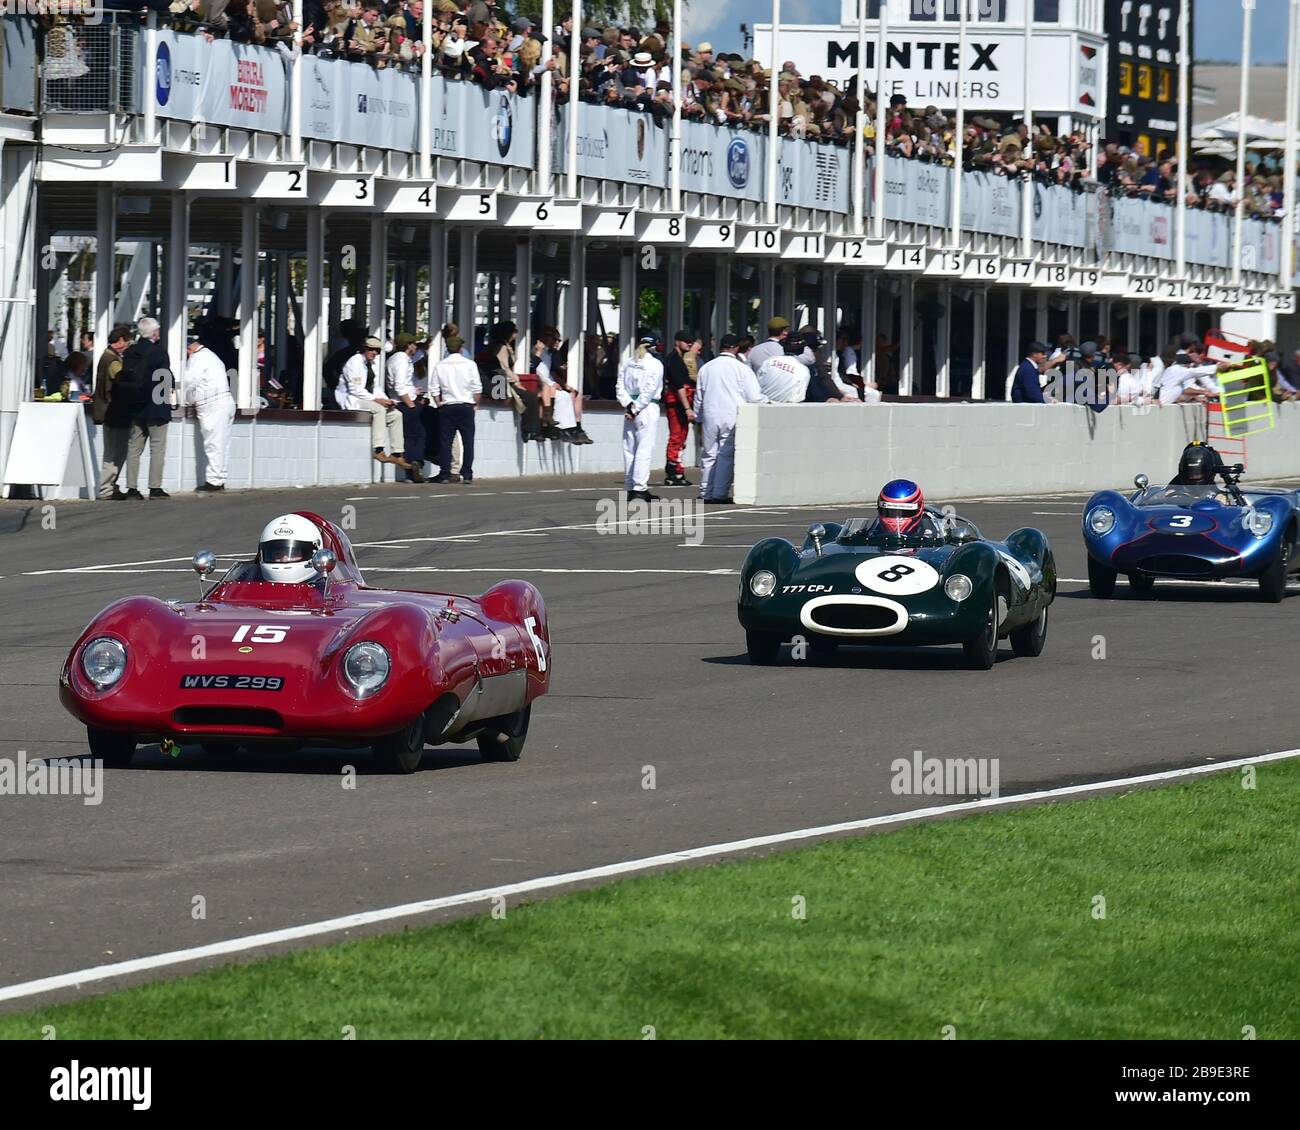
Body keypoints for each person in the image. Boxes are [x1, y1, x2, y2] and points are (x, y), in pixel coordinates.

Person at [695, 334, 765, 505]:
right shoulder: (741, 368)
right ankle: (719, 493)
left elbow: (699, 396)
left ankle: (705, 491)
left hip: (710, 414)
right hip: (732, 414)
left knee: (709, 454)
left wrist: (697, 416)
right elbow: (754, 396)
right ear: (735, 348)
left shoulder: (706, 367)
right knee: (725, 455)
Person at [335, 336, 414, 473]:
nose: (374, 353)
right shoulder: (354, 363)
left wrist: (386, 400)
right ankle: (378, 449)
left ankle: (397, 454)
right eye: (371, 350)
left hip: (367, 398)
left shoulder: (372, 365)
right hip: (352, 399)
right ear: (364, 349)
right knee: (379, 410)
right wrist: (378, 401)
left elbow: (375, 387)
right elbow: (356, 390)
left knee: (396, 415)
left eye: (377, 351)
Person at [123, 316, 172, 500]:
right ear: (154, 333)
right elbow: (164, 379)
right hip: (156, 406)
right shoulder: (159, 353)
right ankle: (154, 488)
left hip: (136, 405)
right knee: (157, 448)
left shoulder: (130, 352)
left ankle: (132, 488)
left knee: (134, 448)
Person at [616, 329, 665, 502]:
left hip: (630, 406)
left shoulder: (628, 362)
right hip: (646, 408)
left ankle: (630, 487)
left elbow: (619, 386)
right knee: (644, 448)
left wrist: (628, 405)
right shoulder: (656, 364)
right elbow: (650, 390)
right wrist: (635, 408)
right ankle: (639, 488)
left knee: (629, 449)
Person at [184, 334, 236, 493]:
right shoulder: (212, 356)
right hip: (225, 401)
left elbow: (189, 381)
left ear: (189, 348)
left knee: (213, 444)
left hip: (213, 404)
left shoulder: (197, 358)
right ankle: (219, 478)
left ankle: (214, 481)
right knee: (222, 444)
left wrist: (184, 399)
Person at [432, 333, 482, 484]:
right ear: (461, 348)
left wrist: (439, 403)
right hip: (466, 406)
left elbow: (434, 389)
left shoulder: (440, 365)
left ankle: (445, 473)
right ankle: (466, 473)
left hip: (447, 406)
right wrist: (475, 403)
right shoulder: (469, 364)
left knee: (446, 441)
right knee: (468, 441)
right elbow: (477, 388)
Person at [92, 326, 133, 500]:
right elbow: (122, 381)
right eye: (127, 342)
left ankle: (110, 487)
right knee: (115, 452)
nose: (128, 346)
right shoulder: (113, 361)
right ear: (121, 341)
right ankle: (107, 489)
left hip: (106, 410)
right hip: (114, 411)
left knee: (113, 451)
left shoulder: (105, 356)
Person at [535, 325, 592, 443]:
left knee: (573, 394)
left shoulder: (551, 353)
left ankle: (573, 428)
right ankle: (560, 427)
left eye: (558, 340)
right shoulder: (536, 350)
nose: (557, 342)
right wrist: (551, 383)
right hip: (540, 383)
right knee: (562, 396)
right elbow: (534, 369)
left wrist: (563, 384)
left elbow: (552, 371)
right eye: (554, 339)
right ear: (544, 337)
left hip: (549, 381)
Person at [387, 332, 426, 481]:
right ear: (408, 345)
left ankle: (412, 467)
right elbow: (399, 386)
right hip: (404, 404)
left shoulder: (396, 359)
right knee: (416, 435)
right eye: (414, 344)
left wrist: (413, 391)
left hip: (403, 401)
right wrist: (410, 404)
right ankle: (414, 464)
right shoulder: (401, 361)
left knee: (411, 435)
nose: (415, 346)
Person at [662, 328, 698, 486]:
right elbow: (679, 387)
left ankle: (676, 470)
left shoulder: (678, 359)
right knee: (677, 437)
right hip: (676, 404)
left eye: (691, 342)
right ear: (677, 342)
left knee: (681, 437)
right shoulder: (675, 360)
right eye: (686, 341)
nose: (689, 344)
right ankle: (673, 472)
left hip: (679, 403)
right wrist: (687, 408)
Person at [257, 514, 325, 584]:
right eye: (278, 554)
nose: (284, 559)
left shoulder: (328, 588)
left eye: (293, 554)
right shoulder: (254, 583)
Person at [755, 333, 812, 402]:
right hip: (784, 409)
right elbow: (798, 397)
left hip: (762, 405)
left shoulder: (769, 361)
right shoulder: (803, 370)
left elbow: (758, 383)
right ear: (801, 350)